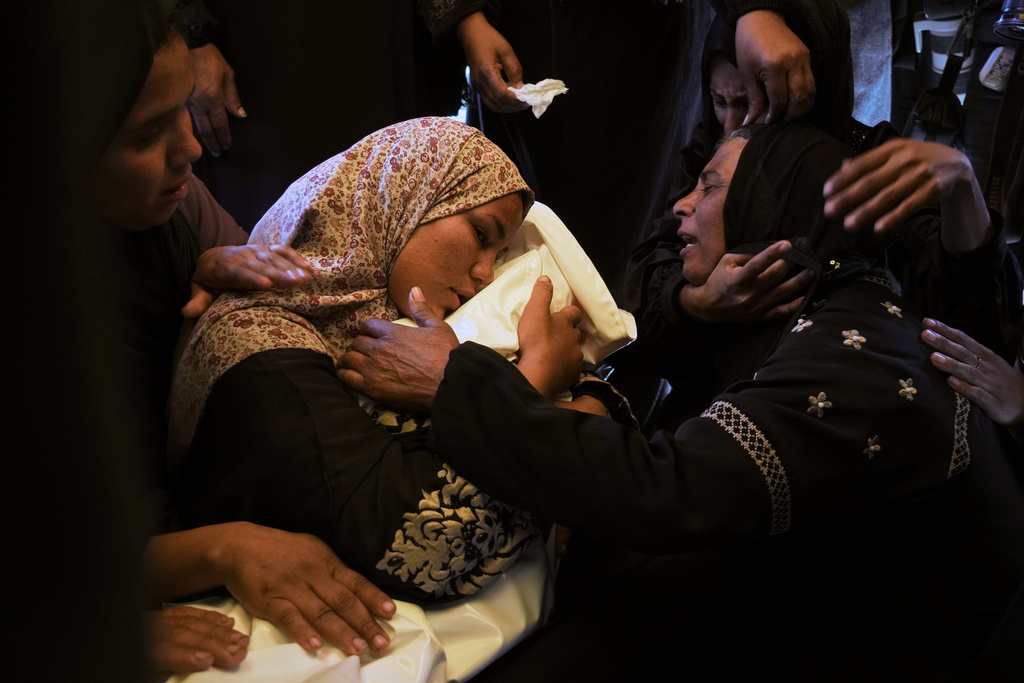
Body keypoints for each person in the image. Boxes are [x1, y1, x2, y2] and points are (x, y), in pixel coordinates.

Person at [342, 123, 1024, 678]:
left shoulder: (860, 355)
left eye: (710, 186)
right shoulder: (799, 315)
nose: (681, 206)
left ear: (769, 201)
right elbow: (646, 328)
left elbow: (668, 491)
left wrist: (455, 381)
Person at [90, 3, 398, 674]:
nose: (191, 149)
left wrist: (228, 282)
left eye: (181, 112)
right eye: (146, 135)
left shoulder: (177, 212)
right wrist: (220, 550)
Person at [167, 117, 583, 607]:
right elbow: (432, 549)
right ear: (404, 196)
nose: (485, 273)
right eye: (479, 234)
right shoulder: (257, 344)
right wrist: (533, 392)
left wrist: (591, 394)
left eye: (500, 253)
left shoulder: (376, 316)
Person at [181, 0, 471, 230]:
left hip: (381, 40)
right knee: (268, 225)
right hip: (263, 46)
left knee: (385, 209)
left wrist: (467, 18)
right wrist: (192, 35)